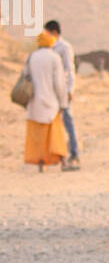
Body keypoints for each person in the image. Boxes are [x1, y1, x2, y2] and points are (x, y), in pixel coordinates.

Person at [24, 30, 69, 171]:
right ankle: (63, 162)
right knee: (56, 135)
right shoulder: (54, 57)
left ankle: (41, 164)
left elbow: (26, 76)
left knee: (38, 136)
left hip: (34, 103)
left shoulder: (32, 57)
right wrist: (63, 102)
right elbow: (59, 83)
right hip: (51, 102)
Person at [43, 19, 80, 169]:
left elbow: (70, 70)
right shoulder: (47, 47)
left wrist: (71, 89)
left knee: (67, 120)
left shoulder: (64, 47)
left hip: (63, 89)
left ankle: (74, 152)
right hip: (50, 89)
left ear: (54, 32)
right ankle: (56, 154)